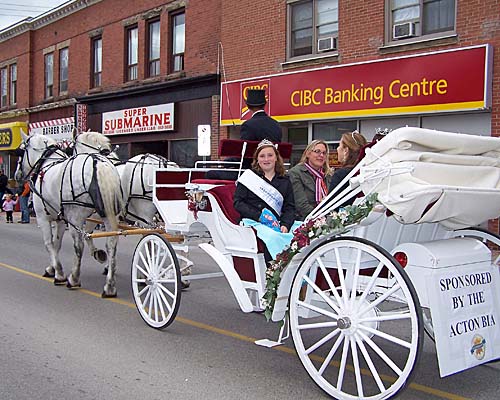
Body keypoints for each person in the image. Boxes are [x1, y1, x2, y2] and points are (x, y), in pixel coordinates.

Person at [233, 139, 296, 262]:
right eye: (262, 156)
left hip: (278, 222)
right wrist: (260, 216)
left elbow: (290, 207)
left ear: (276, 158)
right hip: (254, 221)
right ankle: (274, 272)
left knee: (301, 232)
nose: (266, 159)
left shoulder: (285, 180)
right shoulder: (249, 178)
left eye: (270, 155)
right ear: (257, 160)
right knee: (273, 237)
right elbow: (238, 203)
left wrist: (285, 224)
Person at [288, 140, 332, 221]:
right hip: (305, 221)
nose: (321, 155)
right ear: (308, 153)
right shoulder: (295, 173)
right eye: (317, 151)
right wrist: (321, 219)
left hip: (327, 220)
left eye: (324, 153)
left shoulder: (328, 175)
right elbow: (301, 205)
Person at [329, 130, 368, 208]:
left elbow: (331, 205)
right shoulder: (366, 172)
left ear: (346, 150)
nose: (337, 149)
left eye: (339, 145)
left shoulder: (340, 175)